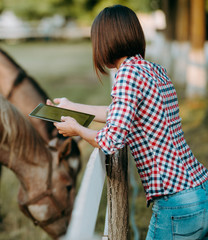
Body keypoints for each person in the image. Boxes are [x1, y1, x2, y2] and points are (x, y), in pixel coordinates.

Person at [47, 4, 208, 239]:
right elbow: (121, 111)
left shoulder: (127, 75)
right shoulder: (154, 70)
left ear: (105, 42)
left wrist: (78, 130)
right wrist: (71, 106)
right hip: (200, 190)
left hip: (176, 203)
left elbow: (111, 141)